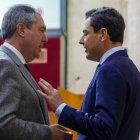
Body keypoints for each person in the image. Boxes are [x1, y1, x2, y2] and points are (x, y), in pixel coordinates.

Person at [38, 6, 140, 140]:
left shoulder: (111, 70)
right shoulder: (127, 66)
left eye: (86, 33)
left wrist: (62, 108)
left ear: (103, 34)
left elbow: (104, 128)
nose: (81, 40)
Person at [0, 4, 72, 140]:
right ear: (21, 29)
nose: (46, 38)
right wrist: (48, 133)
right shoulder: (5, 64)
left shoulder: (13, 63)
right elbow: (3, 124)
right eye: (41, 30)